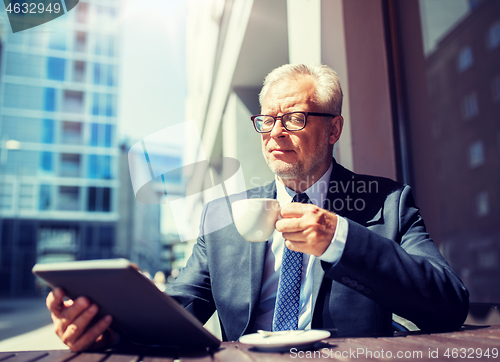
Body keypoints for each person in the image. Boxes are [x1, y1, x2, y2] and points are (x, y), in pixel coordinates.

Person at [46, 63, 469, 351]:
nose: (275, 133)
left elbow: (448, 303)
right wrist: (107, 327)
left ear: (333, 128)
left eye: (295, 119)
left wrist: (340, 237)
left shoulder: (389, 204)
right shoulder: (221, 216)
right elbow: (182, 310)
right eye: (267, 120)